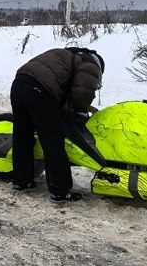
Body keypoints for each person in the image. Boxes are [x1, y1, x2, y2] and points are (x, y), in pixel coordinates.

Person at [10, 47, 104, 202]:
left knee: (22, 135)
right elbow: (82, 92)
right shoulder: (90, 64)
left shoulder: (65, 54)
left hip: (19, 83)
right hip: (39, 90)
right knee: (53, 139)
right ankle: (60, 191)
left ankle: (21, 181)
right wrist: (79, 112)